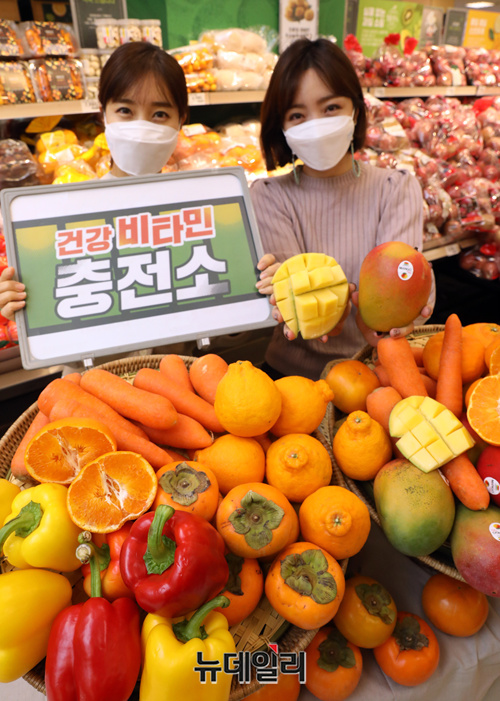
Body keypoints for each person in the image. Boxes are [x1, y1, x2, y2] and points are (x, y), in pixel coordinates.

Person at [252, 38, 434, 380]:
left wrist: (414, 298)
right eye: (297, 115)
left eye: (330, 107)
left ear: (355, 108)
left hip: (377, 373)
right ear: (282, 126)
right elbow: (299, 303)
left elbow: (401, 287)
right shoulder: (268, 196)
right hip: (291, 378)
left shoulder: (396, 188)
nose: (316, 123)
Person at [0, 41, 189, 320]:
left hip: (178, 362)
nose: (141, 127)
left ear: (181, 120)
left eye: (160, 114)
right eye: (125, 110)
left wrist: (264, 280)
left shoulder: (200, 209)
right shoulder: (65, 212)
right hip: (89, 364)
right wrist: (17, 300)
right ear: (103, 114)